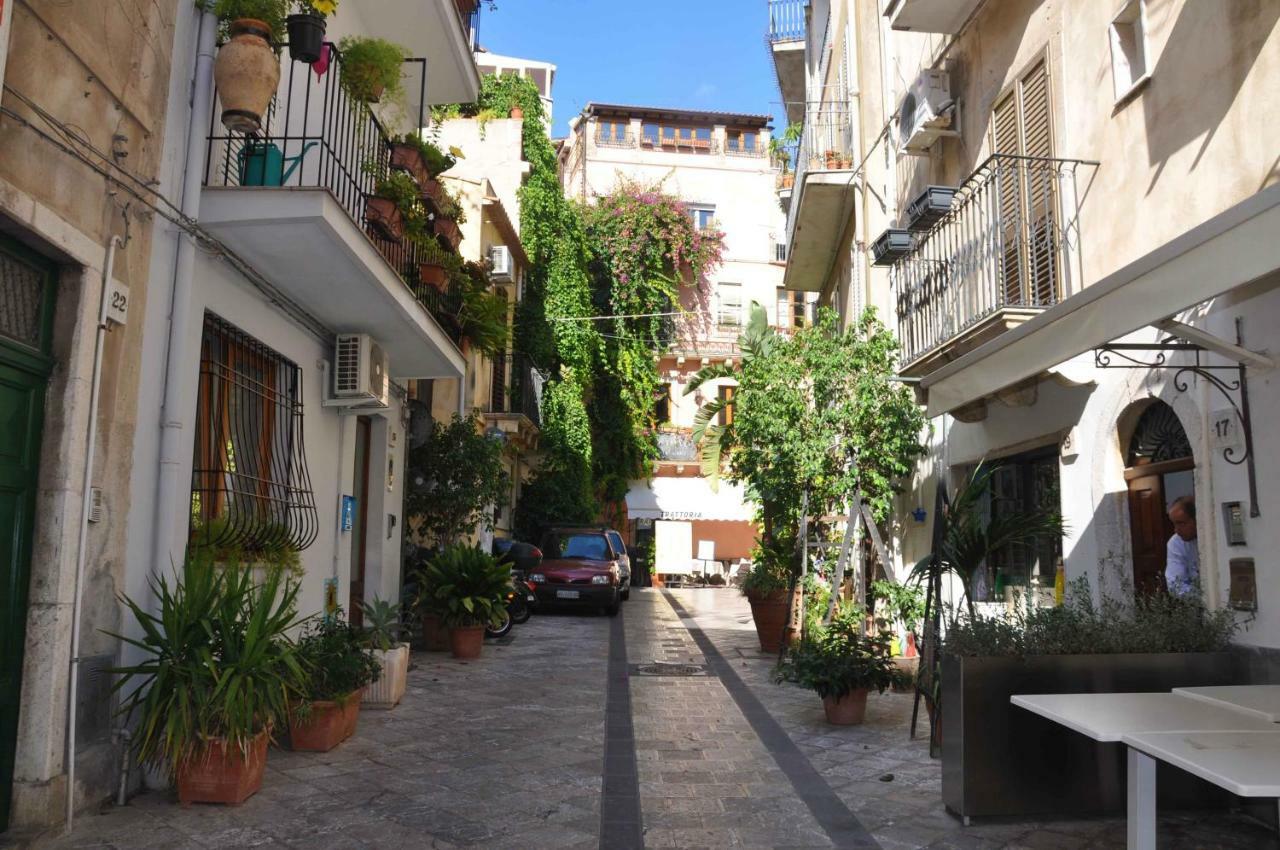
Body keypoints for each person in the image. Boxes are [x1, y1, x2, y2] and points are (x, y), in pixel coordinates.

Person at [1165, 495, 1199, 595]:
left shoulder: (1214, 539)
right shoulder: (1176, 543)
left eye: (1181, 523)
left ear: (1197, 520)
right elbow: (1175, 586)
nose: (1176, 530)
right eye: (1174, 524)